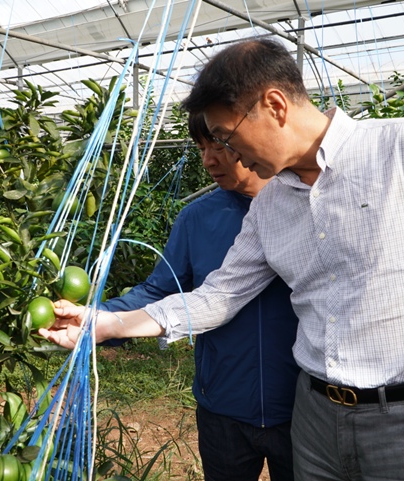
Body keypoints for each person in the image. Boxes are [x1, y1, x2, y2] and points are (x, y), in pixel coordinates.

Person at [41, 38, 404, 481]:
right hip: (314, 418)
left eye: (225, 136)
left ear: (275, 105)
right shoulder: (270, 205)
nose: (224, 153)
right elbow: (219, 295)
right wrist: (107, 324)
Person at [94, 113, 300, 481]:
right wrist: (100, 317)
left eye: (217, 145)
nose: (208, 160)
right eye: (201, 148)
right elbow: (160, 289)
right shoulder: (197, 218)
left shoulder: (304, 207)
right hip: (223, 404)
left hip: (300, 408)